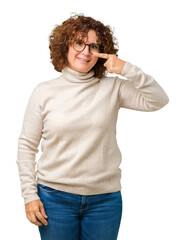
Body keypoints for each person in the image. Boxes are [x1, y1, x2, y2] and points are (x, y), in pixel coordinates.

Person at [16, 13, 169, 240]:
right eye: (79, 43)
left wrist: (127, 69)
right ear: (65, 46)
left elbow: (158, 100)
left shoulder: (113, 87)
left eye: (94, 46)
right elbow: (27, 146)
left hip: (104, 201)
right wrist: (30, 196)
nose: (86, 52)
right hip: (54, 198)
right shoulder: (44, 92)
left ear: (102, 51)